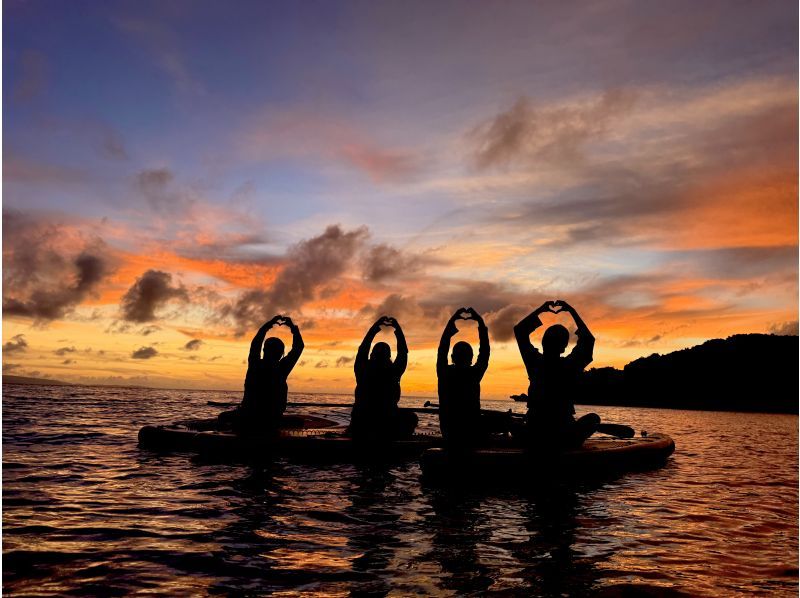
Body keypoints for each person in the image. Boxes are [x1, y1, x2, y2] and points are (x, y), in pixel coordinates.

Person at [513, 300, 599, 449]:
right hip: (561, 429)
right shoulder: (570, 365)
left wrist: (540, 309)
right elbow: (588, 341)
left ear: (543, 342)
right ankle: (567, 442)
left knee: (512, 423)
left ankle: (535, 440)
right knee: (594, 419)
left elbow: (520, 331)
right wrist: (572, 311)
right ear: (564, 348)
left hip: (536, 429)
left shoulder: (534, 362)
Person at [219, 315, 304, 434]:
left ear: (264, 351)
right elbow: (298, 348)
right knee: (299, 422)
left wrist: (267, 325)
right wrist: (292, 328)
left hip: (248, 417)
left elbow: (256, 344)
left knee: (223, 416)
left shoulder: (254, 364)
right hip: (271, 420)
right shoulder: (282, 368)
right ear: (281, 354)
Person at [349, 316, 418, 441]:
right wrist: (397, 328)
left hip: (365, 420)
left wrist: (375, 328)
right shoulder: (394, 371)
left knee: (410, 417)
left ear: (371, 355)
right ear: (389, 357)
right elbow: (403, 353)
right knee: (411, 417)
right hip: (383, 420)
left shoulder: (362, 369)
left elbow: (363, 348)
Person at [436, 307, 490, 449]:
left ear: (452, 357)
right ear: (471, 358)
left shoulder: (444, 372)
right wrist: (480, 322)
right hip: (470, 431)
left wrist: (452, 321)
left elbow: (442, 349)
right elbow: (485, 352)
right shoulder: (474, 374)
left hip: (449, 431)